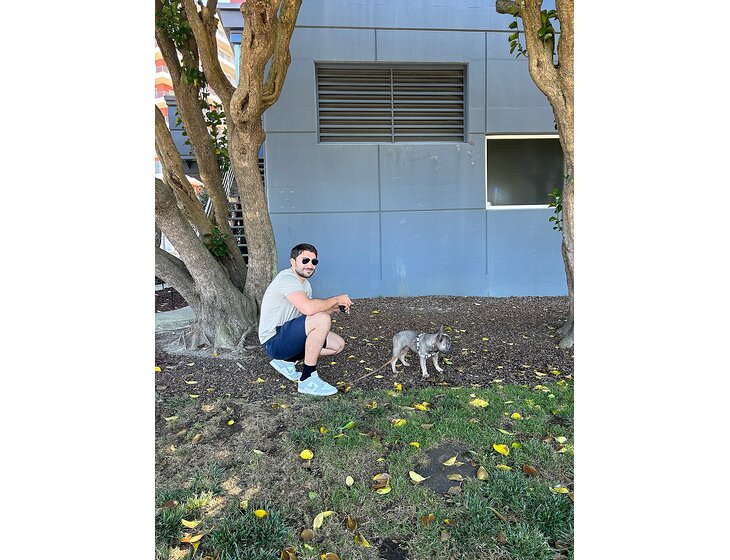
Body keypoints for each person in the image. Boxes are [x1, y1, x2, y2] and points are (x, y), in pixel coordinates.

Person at [258, 243, 354, 396]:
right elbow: (309, 309)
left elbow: (308, 315)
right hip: (274, 340)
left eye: (314, 261)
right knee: (322, 319)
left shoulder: (306, 285)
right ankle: (308, 379)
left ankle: (286, 362)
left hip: (288, 334)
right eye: (305, 260)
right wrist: (336, 299)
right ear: (292, 262)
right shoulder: (287, 278)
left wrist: (333, 308)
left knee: (337, 345)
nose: (310, 265)